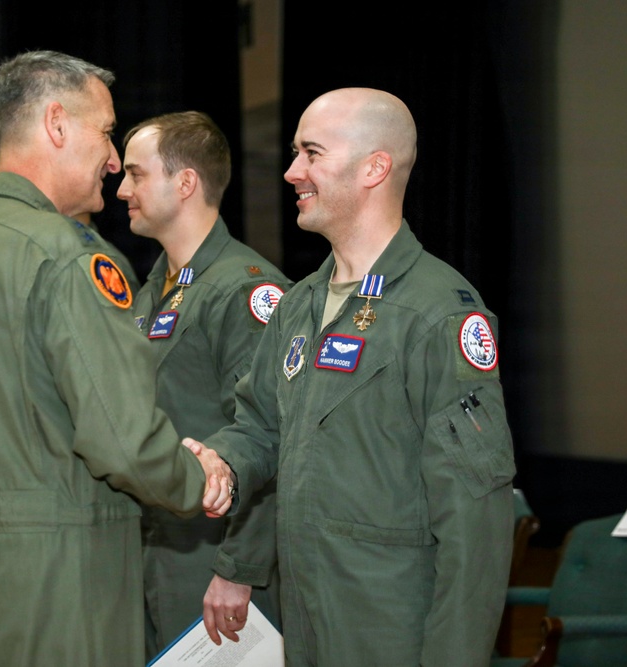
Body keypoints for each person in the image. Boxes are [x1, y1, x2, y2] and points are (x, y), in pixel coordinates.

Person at [0, 51, 233, 667]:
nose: (113, 160)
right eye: (105, 132)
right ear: (56, 124)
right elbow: (124, 441)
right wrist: (201, 479)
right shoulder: (67, 256)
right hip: (61, 590)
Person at [191, 88, 517, 665]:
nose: (292, 171)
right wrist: (221, 463)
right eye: (295, 153)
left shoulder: (437, 313)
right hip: (308, 625)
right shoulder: (300, 304)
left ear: (374, 168)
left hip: (393, 635)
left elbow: (476, 530)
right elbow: (261, 429)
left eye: (312, 153)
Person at [118, 111, 289, 655]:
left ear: (185, 182)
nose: (122, 190)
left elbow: (272, 437)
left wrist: (240, 567)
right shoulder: (155, 289)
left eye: (136, 175)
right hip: (155, 551)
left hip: (214, 560)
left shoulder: (244, 291)